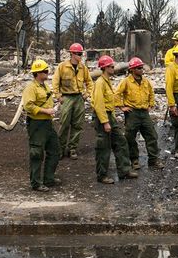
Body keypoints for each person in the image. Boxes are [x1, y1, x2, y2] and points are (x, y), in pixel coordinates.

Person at [92, 55, 138, 184]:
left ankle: (124, 170)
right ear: (105, 68)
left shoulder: (107, 81)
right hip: (103, 117)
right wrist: (105, 122)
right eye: (111, 66)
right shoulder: (100, 83)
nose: (114, 68)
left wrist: (111, 118)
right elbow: (99, 104)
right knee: (104, 147)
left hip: (109, 116)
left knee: (121, 142)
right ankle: (102, 175)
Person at [116, 57, 165, 170]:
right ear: (132, 70)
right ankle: (134, 160)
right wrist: (122, 107)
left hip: (144, 113)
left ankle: (153, 160)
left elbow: (151, 93)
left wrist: (151, 104)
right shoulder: (126, 82)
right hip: (132, 113)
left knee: (151, 135)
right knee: (130, 137)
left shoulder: (145, 81)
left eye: (142, 67)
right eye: (139, 68)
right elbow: (117, 94)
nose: (142, 69)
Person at [22, 59, 61, 192]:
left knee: (55, 150)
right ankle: (36, 183)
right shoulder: (31, 88)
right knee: (37, 153)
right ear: (38, 73)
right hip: (36, 124)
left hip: (47, 123)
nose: (47, 73)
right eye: (45, 71)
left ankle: (49, 178)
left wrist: (54, 107)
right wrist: (45, 111)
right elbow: (28, 105)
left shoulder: (45, 86)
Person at [52, 42, 94, 160]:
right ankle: (60, 148)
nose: (80, 56)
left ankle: (72, 148)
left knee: (78, 125)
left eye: (81, 53)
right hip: (67, 97)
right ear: (72, 54)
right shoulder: (62, 67)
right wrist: (59, 96)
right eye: (78, 53)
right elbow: (55, 82)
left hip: (79, 98)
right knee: (64, 123)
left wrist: (86, 94)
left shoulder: (83, 68)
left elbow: (89, 82)